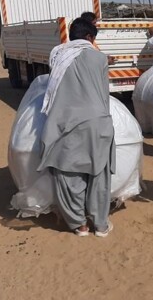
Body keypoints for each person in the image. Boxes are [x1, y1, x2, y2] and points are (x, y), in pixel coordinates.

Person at [38, 18, 115, 237]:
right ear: (90, 37)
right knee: (99, 173)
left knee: (69, 174)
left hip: (64, 123)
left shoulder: (57, 56)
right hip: (97, 122)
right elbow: (103, 94)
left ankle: (80, 225)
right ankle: (100, 225)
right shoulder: (99, 58)